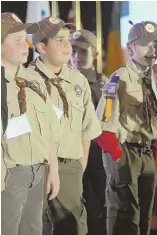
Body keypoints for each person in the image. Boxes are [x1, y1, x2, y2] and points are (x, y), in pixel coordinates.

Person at [27, 16, 102, 235]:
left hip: (70, 167)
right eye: (59, 40)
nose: (67, 46)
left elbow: (87, 125)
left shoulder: (78, 81)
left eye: (68, 40)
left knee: (74, 228)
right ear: (41, 47)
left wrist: (81, 162)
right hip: (36, 168)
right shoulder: (28, 81)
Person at [96, 21, 157, 235]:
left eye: (156, 43)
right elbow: (104, 128)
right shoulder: (119, 80)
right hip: (124, 150)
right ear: (130, 47)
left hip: (145, 152)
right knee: (125, 215)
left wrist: (153, 152)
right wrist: (117, 158)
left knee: (144, 216)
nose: (153, 49)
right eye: (145, 44)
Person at [1, 12, 61, 235]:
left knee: (34, 229)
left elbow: (48, 130)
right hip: (9, 176)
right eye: (16, 40)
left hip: (38, 172)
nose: (24, 44)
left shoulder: (34, 80)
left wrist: (53, 169)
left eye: (25, 38)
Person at [70, 29, 108, 235]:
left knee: (104, 206)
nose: (76, 57)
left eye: (83, 52)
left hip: (98, 155)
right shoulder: (59, 81)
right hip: (69, 155)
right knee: (74, 208)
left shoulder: (104, 84)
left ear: (95, 54)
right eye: (73, 50)